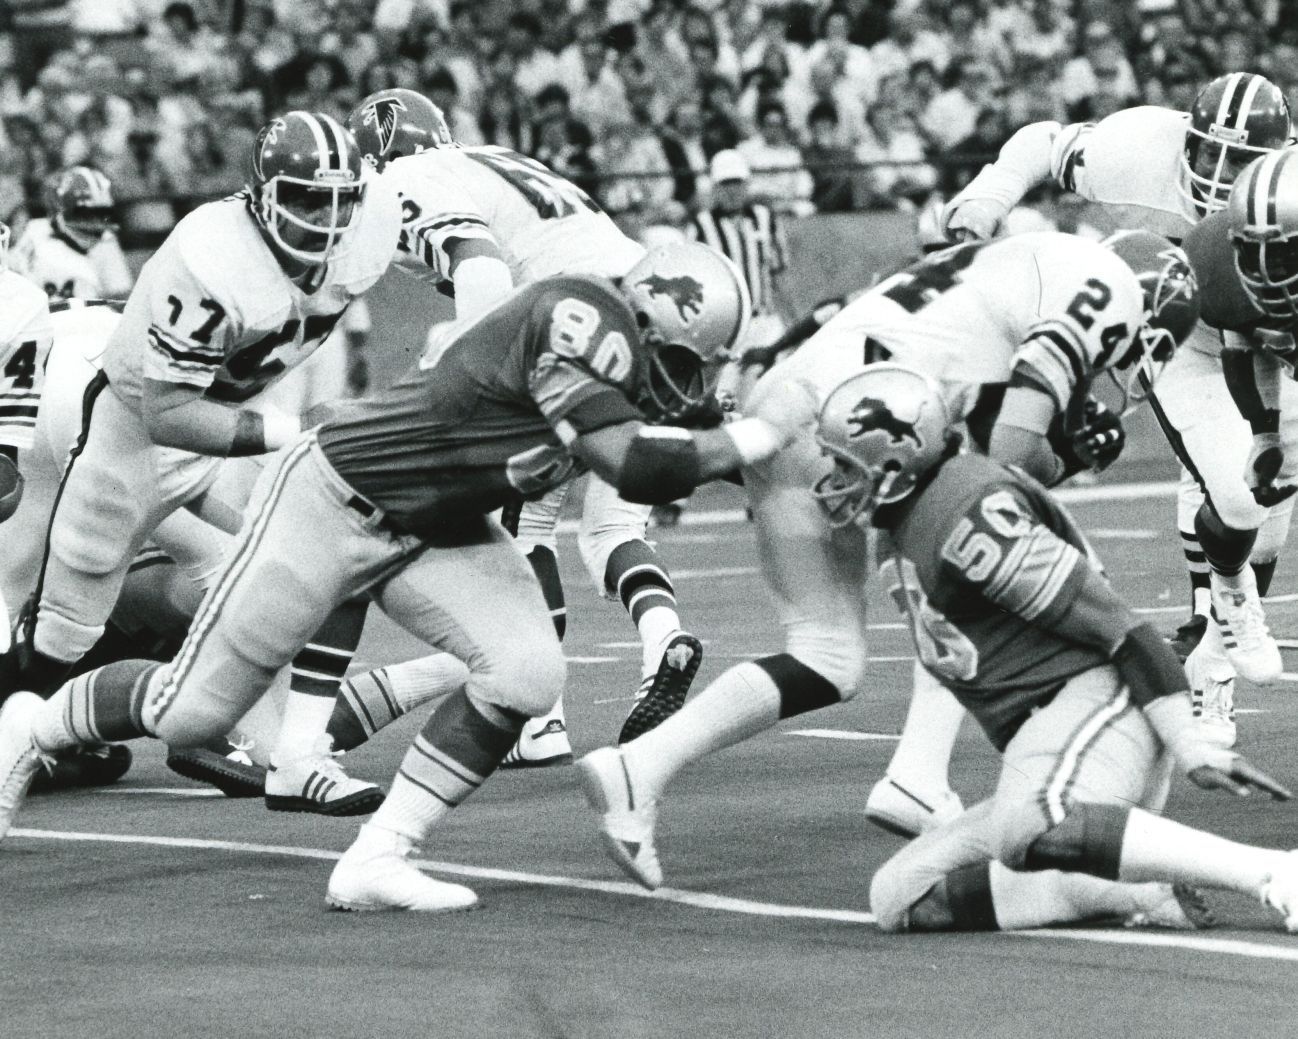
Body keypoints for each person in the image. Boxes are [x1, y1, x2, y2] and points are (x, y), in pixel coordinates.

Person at [0, 245, 787, 914]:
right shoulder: (578, 318)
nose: (685, 381)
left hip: (434, 524)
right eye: (684, 359)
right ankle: (32, 726)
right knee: (191, 714)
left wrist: (761, 445)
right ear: (651, 318)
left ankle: (378, 857)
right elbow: (634, 463)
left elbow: (657, 439)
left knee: (528, 668)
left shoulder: (610, 343)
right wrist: (756, 434)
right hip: (333, 497)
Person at [575, 228, 1200, 890]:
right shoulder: (1105, 286)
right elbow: (1008, 451)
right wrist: (1066, 451)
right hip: (862, 425)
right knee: (970, 564)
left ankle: (639, 765)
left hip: (799, 407)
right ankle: (921, 773)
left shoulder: (1022, 257)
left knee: (826, 653)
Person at [888, 73, 1293, 820]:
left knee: (1267, 507)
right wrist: (989, 192)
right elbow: (1044, 143)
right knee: (1231, 491)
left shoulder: (1285, 192)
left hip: (1268, 337)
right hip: (1173, 332)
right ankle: (1221, 616)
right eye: (1210, 154)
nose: (1220, 175)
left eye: (1241, 163)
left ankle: (1210, 653)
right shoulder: (1137, 145)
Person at [0, 110, 403, 816]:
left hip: (193, 424)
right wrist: (293, 431)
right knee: (63, 621)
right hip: (130, 429)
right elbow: (168, 413)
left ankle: (272, 746)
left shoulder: (370, 229)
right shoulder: (212, 256)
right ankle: (20, 734)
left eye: (340, 197)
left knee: (266, 561)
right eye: (307, 198)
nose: (326, 217)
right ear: (261, 194)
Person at [811, 365, 1296, 935]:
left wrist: (1191, 746)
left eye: (847, 464)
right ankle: (1122, 889)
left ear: (899, 459)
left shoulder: (965, 517)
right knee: (902, 896)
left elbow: (1121, 627)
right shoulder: (915, 520)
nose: (836, 481)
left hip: (1104, 703)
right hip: (1050, 735)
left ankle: (1274, 873)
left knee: (1030, 827)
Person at [10, 167, 133, 300]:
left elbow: (121, 296)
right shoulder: (31, 234)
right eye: (84, 213)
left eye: (102, 213)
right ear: (59, 209)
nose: (94, 222)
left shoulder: (105, 241)